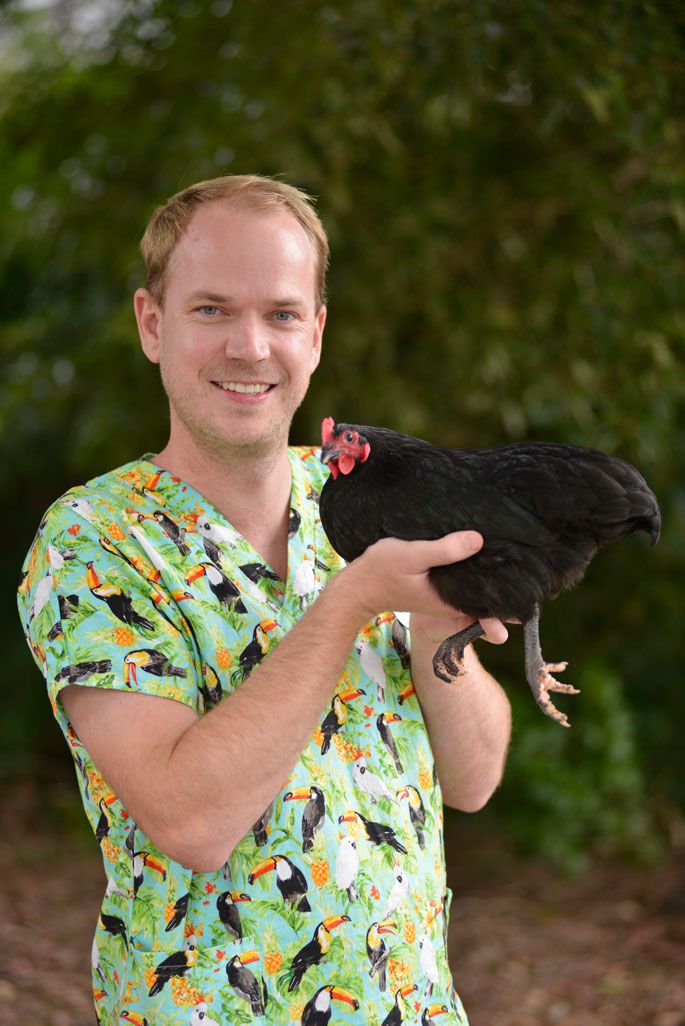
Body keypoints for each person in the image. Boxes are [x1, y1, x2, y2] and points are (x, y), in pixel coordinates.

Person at [17, 174, 512, 1025]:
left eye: (281, 314)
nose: (251, 347)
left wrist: (435, 619)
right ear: (151, 324)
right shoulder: (95, 539)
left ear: (315, 335)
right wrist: (354, 599)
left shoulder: (370, 502)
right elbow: (192, 821)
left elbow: (473, 778)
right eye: (211, 310)